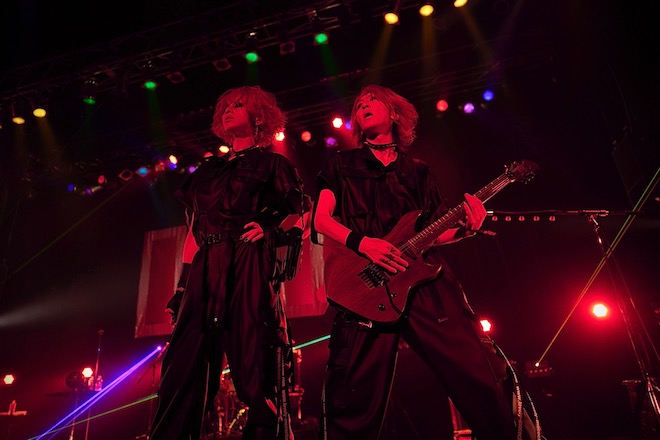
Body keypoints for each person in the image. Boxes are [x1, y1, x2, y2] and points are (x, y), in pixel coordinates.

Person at [312, 84, 541, 440]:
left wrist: (466, 229)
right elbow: (320, 220)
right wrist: (364, 244)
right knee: (351, 398)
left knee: (481, 373)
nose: (363, 105)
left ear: (395, 113)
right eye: (358, 105)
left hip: (423, 283)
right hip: (363, 284)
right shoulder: (340, 164)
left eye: (373, 101)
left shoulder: (418, 171)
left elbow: (437, 231)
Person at [150, 85, 310, 440]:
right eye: (225, 106)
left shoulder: (273, 164)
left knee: (254, 361)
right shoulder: (207, 171)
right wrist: (182, 286)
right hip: (205, 266)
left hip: (246, 260)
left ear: (258, 117)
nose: (228, 110)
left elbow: (303, 214)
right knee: (182, 366)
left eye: (238, 105)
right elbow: (194, 231)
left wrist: (271, 230)